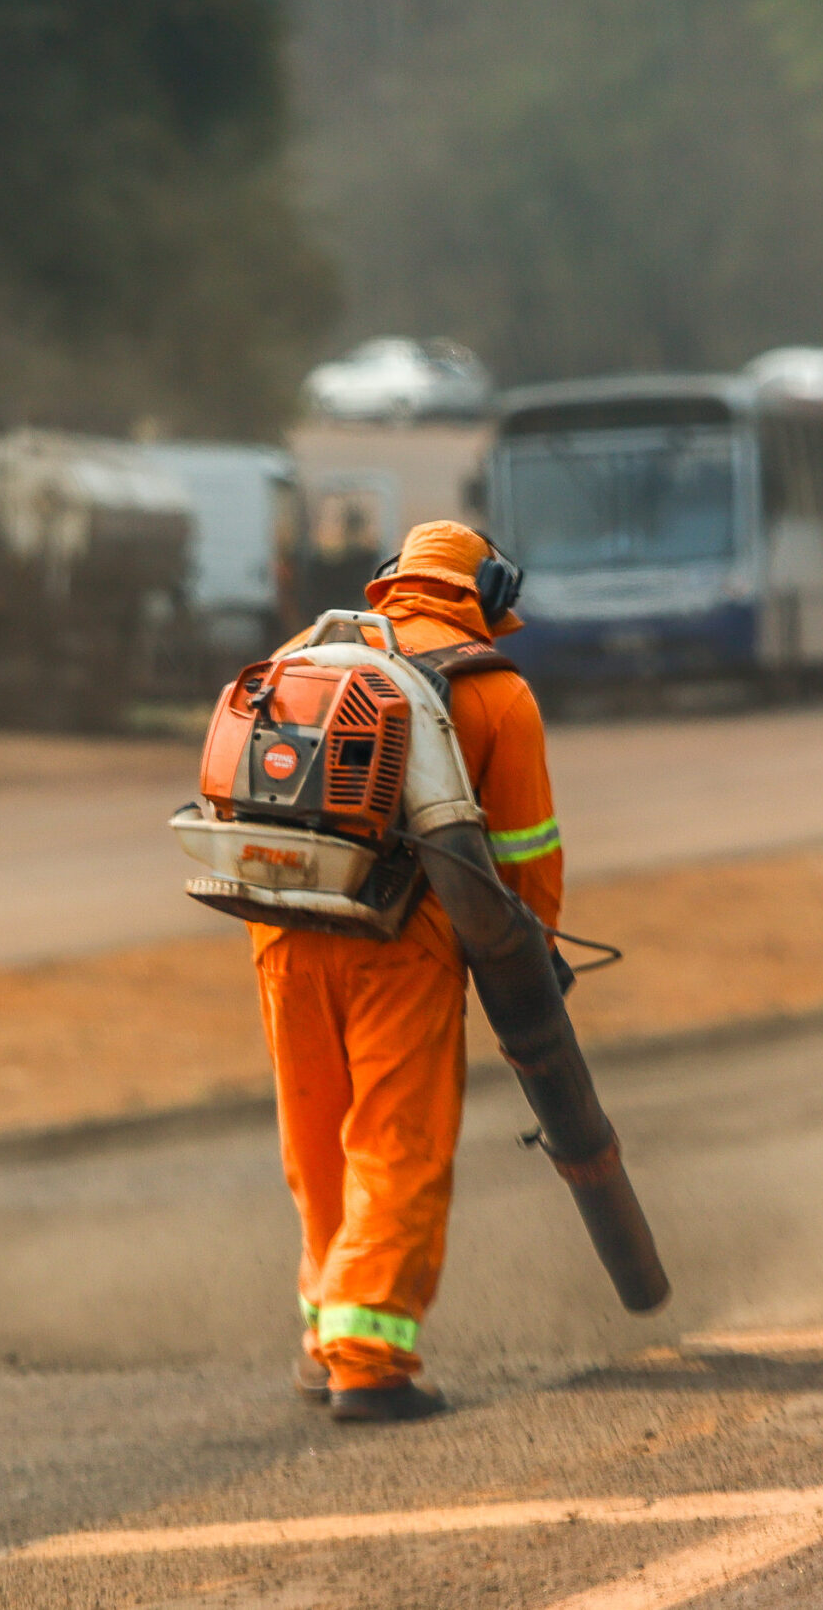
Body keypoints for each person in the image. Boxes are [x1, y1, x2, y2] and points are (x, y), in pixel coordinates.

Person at [249, 520, 562, 1422]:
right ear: (490, 593)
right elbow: (525, 853)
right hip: (401, 943)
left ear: (392, 579)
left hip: (281, 929)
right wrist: (534, 954)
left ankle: (324, 1337)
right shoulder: (496, 692)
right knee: (396, 1142)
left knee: (316, 1145)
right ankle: (368, 1361)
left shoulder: (299, 652)